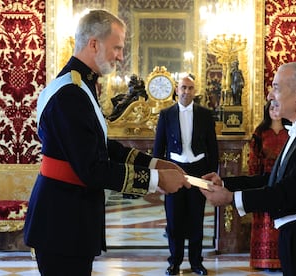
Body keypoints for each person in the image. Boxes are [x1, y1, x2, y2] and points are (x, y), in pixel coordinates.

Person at [24, 10, 190, 276]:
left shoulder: (81, 87)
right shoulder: (70, 94)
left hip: (70, 218)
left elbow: (102, 145)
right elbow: (93, 168)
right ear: (94, 44)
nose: (120, 56)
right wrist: (156, 180)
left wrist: (155, 162)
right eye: (117, 47)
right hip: (62, 223)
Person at [200, 62, 296, 276]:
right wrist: (225, 183)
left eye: (276, 87)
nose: (270, 95)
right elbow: (274, 179)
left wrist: (231, 198)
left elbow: (290, 191)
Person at [153, 73, 219, 275]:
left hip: (198, 171)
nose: (186, 92)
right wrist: (158, 177)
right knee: (174, 219)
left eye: (190, 88)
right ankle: (175, 262)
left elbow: (212, 148)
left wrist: (212, 174)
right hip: (174, 171)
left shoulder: (205, 115)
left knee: (196, 218)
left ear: (195, 91)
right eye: (183, 88)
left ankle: (196, 263)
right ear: (176, 89)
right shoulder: (166, 114)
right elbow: (158, 149)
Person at [248, 100, 289, 270]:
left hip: (286, 182)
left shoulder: (291, 131)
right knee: (265, 220)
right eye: (272, 108)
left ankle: (283, 260)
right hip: (265, 181)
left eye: (278, 107)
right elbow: (254, 158)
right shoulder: (260, 132)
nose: (275, 111)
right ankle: (263, 260)